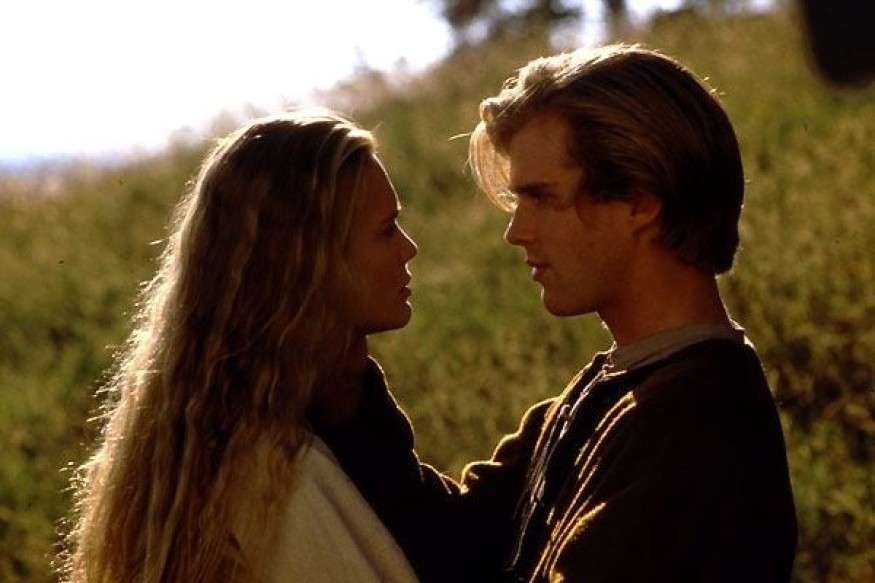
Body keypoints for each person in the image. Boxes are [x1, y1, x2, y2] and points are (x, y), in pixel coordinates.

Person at [314, 44, 798, 582]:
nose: (517, 231)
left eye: (542, 198)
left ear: (639, 201)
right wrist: (339, 374)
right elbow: (455, 544)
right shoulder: (617, 386)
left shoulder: (699, 425)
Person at [61, 108, 420, 582]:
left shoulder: (281, 428)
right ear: (307, 262)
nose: (408, 248)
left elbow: (432, 527)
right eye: (386, 230)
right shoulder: (277, 484)